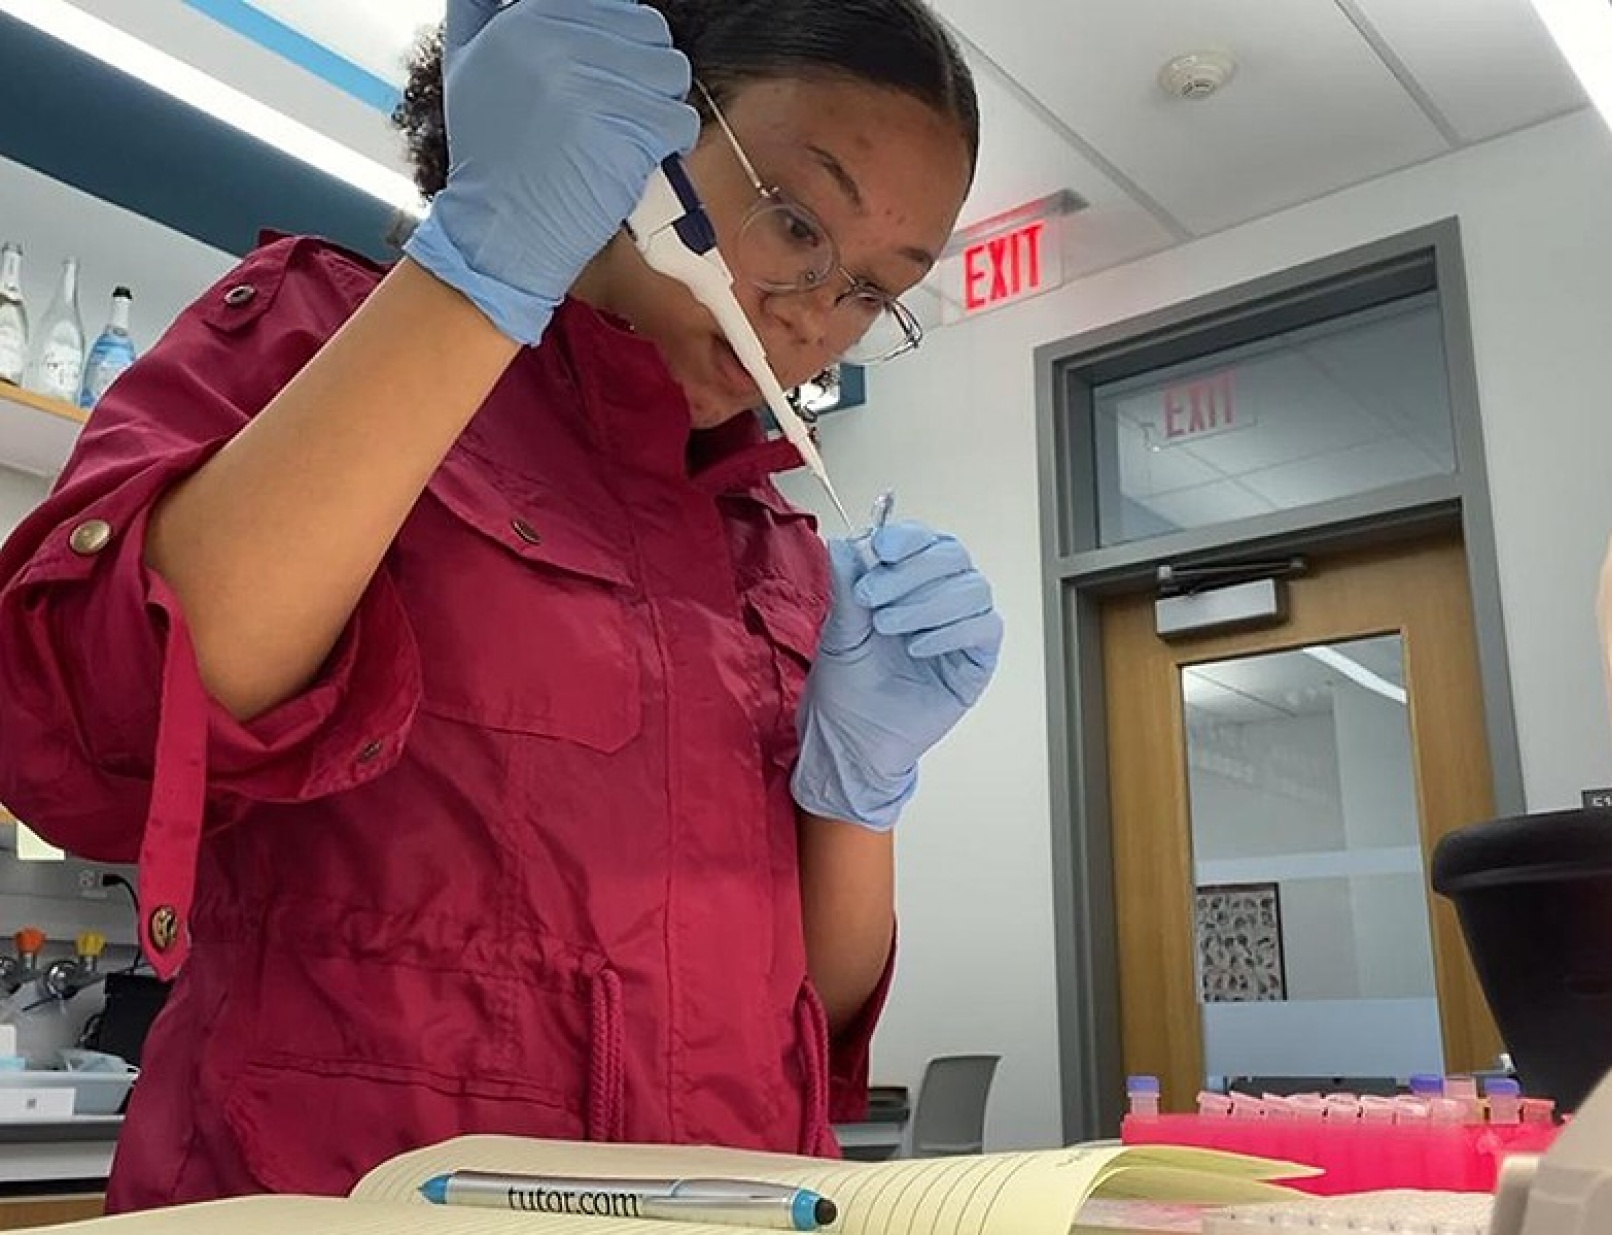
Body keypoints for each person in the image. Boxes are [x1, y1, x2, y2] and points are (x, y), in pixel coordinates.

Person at [0, 0, 999, 1211]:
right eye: (792, 220)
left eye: (869, 296)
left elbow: (813, 1003)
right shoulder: (320, 338)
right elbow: (95, 739)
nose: (807, 318)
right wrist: (483, 267)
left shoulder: (781, 553)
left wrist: (860, 790)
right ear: (634, 142)